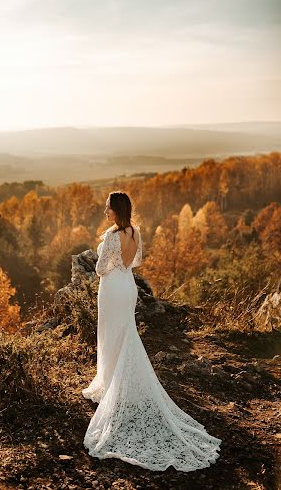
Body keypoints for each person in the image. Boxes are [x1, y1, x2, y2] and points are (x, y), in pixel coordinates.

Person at [82, 190, 222, 471]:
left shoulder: (111, 236)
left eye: (108, 208)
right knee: (125, 333)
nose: (105, 212)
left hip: (111, 288)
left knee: (109, 334)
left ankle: (111, 384)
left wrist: (104, 252)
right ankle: (114, 382)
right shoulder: (135, 232)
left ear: (117, 209)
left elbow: (99, 269)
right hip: (128, 286)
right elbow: (134, 263)